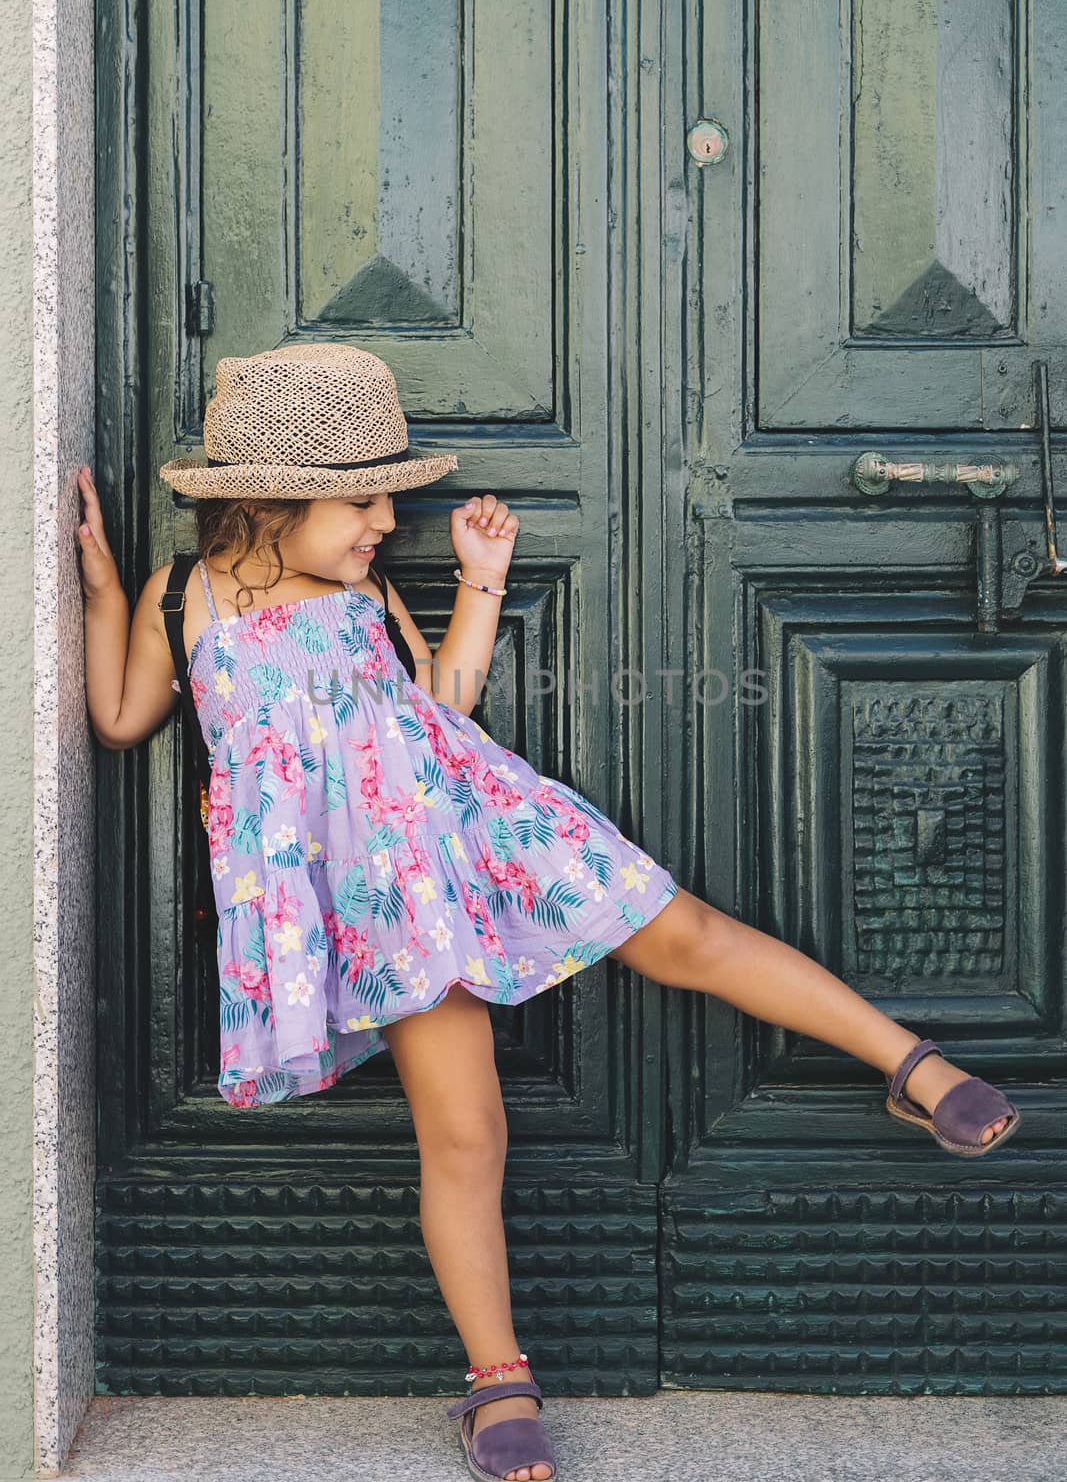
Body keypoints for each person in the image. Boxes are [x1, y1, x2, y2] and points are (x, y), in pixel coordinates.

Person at [77, 342, 1021, 1482]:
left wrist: (479, 576)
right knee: (467, 1133)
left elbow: (443, 705)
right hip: (386, 910)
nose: (385, 517)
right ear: (273, 502)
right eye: (363, 498)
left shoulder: (364, 590)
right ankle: (496, 1379)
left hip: (477, 823)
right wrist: (98, 591)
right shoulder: (182, 602)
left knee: (688, 934)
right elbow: (125, 717)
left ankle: (909, 1063)